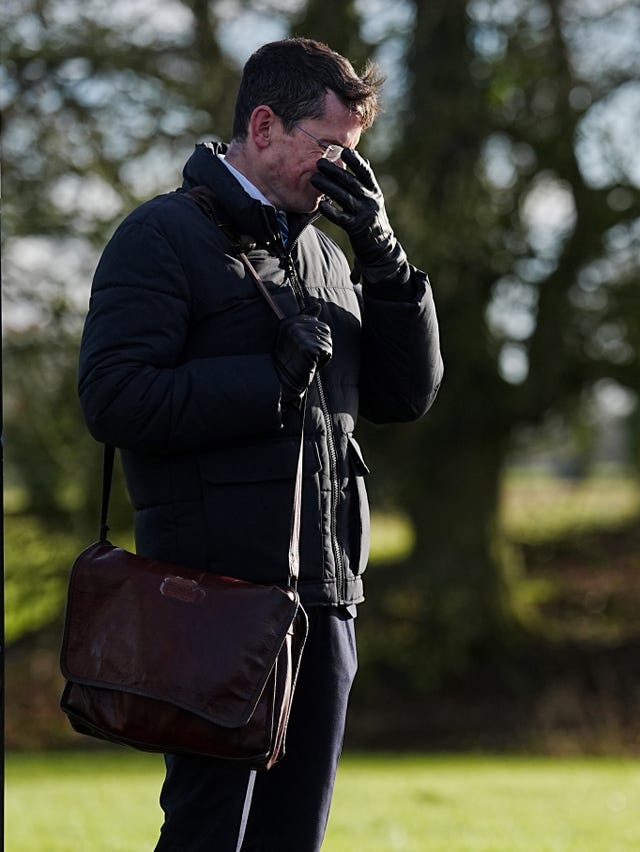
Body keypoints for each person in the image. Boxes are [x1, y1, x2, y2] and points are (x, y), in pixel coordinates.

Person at [78, 36, 443, 852]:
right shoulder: (161, 236)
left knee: (294, 840)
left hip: (325, 601)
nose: (343, 175)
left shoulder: (326, 252)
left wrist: (384, 262)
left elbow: (404, 396)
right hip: (213, 603)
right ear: (266, 126)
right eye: (330, 151)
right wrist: (266, 379)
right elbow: (112, 399)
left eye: (355, 158)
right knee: (213, 837)